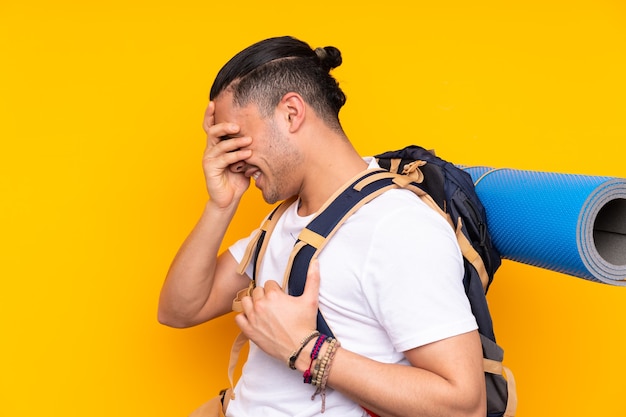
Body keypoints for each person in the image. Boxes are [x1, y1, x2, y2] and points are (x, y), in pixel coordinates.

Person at [158, 36, 486, 417]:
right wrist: (222, 204)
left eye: (234, 137)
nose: (230, 157)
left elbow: (464, 407)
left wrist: (306, 350)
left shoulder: (395, 225)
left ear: (291, 113)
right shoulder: (289, 218)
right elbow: (180, 309)